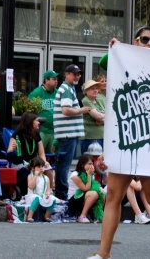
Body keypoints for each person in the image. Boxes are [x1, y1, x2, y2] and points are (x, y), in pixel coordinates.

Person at [90, 26, 150, 259]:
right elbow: (107, 59)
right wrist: (118, 48)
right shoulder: (122, 62)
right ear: (135, 42)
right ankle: (103, 254)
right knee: (114, 196)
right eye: (144, 39)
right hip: (125, 140)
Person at [54, 63, 91, 200]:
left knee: (63, 164)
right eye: (74, 74)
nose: (77, 76)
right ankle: (62, 195)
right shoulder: (67, 89)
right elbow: (66, 110)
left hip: (68, 133)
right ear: (67, 74)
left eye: (79, 74)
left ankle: (61, 193)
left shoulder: (68, 88)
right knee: (64, 165)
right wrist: (81, 110)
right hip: (67, 133)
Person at [8, 112, 53, 192]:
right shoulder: (17, 134)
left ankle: (49, 191)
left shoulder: (36, 134)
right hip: (20, 164)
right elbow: (9, 152)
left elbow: (41, 153)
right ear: (30, 122)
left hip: (33, 162)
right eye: (37, 120)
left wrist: (44, 162)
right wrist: (13, 149)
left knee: (48, 169)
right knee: (28, 172)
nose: (39, 122)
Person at [29, 70, 59, 153]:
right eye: (54, 79)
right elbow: (28, 109)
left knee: (53, 157)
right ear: (46, 80)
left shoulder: (58, 93)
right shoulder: (37, 92)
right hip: (42, 130)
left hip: (54, 130)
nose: (56, 81)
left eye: (57, 79)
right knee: (39, 155)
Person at [69, 154, 104, 223]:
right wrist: (89, 175)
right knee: (93, 193)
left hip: (86, 196)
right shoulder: (75, 175)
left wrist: (90, 175)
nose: (91, 166)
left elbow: (94, 187)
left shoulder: (90, 175)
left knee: (101, 191)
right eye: (89, 164)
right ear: (82, 165)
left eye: (92, 164)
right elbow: (86, 188)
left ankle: (99, 215)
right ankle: (82, 216)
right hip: (75, 198)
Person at [25, 156, 55, 222]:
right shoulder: (30, 176)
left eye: (42, 167)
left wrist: (48, 194)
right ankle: (29, 216)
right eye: (38, 167)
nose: (41, 169)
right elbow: (31, 186)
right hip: (32, 196)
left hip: (42, 196)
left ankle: (46, 216)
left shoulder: (46, 178)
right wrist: (35, 176)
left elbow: (48, 189)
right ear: (33, 168)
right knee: (37, 198)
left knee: (53, 199)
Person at [80, 79, 105, 154]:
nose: (96, 90)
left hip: (102, 136)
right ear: (86, 91)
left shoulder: (99, 100)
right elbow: (97, 116)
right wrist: (103, 116)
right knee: (90, 161)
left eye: (96, 88)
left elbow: (111, 115)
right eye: (92, 89)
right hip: (90, 137)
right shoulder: (86, 100)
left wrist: (103, 118)